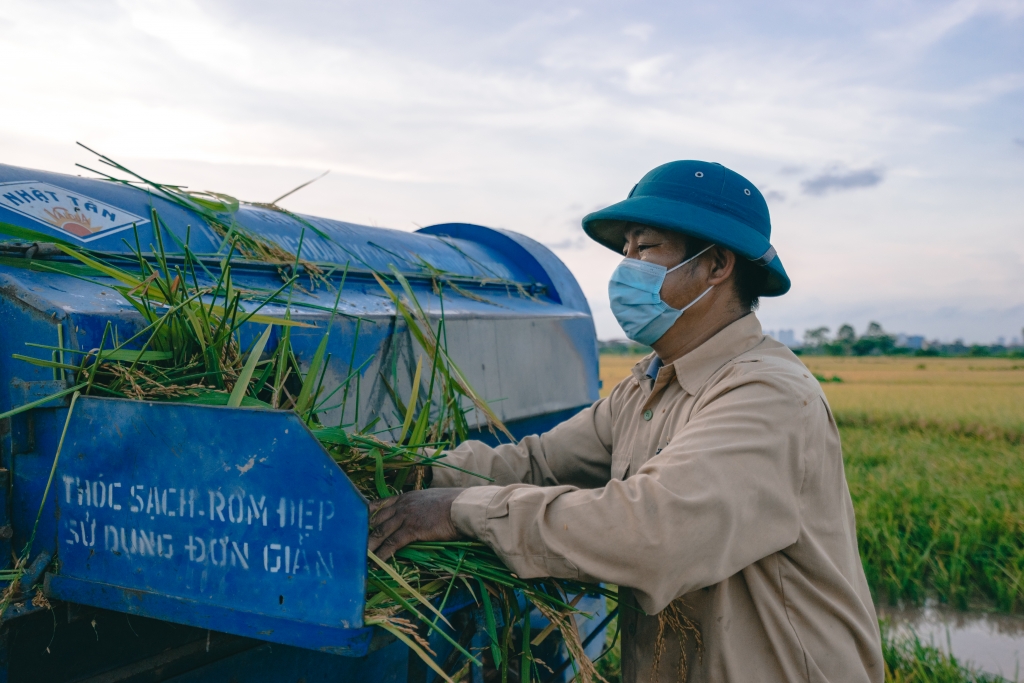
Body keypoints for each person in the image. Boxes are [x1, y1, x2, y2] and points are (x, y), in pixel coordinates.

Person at [369, 160, 884, 682]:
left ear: (717, 265)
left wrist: (459, 510)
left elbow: (651, 532)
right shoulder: (647, 387)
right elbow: (537, 463)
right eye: (625, 249)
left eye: (647, 247)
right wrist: (407, 472)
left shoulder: (766, 395)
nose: (626, 266)